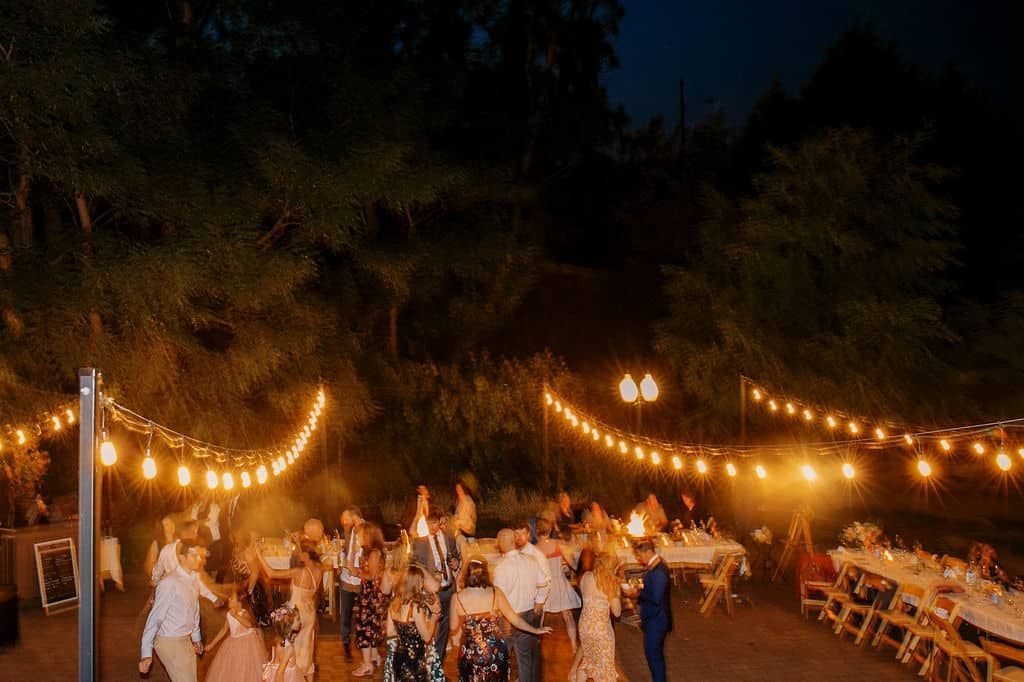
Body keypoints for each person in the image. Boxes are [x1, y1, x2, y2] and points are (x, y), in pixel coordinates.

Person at [451, 557, 551, 682]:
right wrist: (535, 630)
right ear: (486, 573)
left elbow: (453, 627)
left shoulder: (457, 597)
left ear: (466, 574)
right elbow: (515, 619)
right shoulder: (495, 592)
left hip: (471, 651)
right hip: (495, 650)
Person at [139, 539, 206, 682]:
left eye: (199, 555)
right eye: (194, 555)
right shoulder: (169, 583)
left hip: (185, 639)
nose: (199, 559)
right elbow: (155, 618)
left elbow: (194, 610)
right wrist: (146, 652)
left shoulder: (194, 579)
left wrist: (196, 638)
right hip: (168, 641)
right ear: (182, 557)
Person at [257, 541, 323, 680]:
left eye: (300, 552)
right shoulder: (319, 569)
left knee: (291, 650)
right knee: (306, 650)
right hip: (310, 613)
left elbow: (271, 573)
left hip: (297, 614)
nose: (298, 554)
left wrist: (258, 553)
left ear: (305, 555)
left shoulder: (298, 572)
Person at [493, 528, 550, 682]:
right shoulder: (530, 560)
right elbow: (544, 584)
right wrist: (539, 602)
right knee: (525, 661)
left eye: (498, 540)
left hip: (507, 618)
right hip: (527, 615)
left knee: (501, 659)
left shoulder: (500, 567)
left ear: (503, 542)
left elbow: (498, 598)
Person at [413, 509, 460, 662]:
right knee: (430, 628)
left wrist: (456, 563)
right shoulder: (420, 542)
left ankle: (437, 665)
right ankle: (427, 663)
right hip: (432, 592)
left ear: (440, 521)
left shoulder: (449, 538)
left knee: (445, 629)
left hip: (448, 588)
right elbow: (417, 567)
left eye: (434, 522)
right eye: (429, 523)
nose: (432, 526)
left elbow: (455, 555)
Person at [623, 541, 671, 682]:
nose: (639, 559)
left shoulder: (658, 571)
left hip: (656, 621)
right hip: (656, 619)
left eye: (639, 555)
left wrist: (636, 593)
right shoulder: (657, 566)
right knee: (656, 657)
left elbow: (656, 598)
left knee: (654, 658)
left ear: (648, 552)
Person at [384, 564, 442, 682]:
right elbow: (426, 637)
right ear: (416, 583)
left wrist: (405, 629)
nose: (422, 585)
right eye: (421, 581)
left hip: (399, 656)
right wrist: (434, 616)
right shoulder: (415, 608)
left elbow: (390, 632)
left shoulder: (394, 603)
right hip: (414, 659)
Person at [571, 552, 621, 682]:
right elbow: (617, 612)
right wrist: (617, 593)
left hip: (585, 625)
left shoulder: (586, 576)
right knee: (605, 667)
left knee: (588, 660)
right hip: (601, 629)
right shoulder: (610, 582)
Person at [534, 519, 580, 652]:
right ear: (550, 530)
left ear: (537, 531)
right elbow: (573, 565)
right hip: (559, 583)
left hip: (543, 585)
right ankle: (573, 646)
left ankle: (537, 645)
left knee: (540, 615)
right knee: (568, 616)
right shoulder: (559, 544)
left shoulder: (534, 549)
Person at [151, 520, 223, 606]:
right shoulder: (166, 550)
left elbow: (196, 579)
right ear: (184, 533)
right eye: (193, 532)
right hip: (173, 599)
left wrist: (213, 598)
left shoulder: (191, 552)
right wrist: (157, 586)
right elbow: (156, 574)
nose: (195, 535)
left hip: (186, 600)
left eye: (195, 532)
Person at [204, 586, 267, 682]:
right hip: (233, 643)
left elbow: (248, 624)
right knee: (231, 668)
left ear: (239, 602)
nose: (229, 599)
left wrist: (236, 615)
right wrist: (211, 645)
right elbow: (224, 630)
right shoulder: (228, 614)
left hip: (247, 644)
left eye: (232, 598)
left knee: (245, 668)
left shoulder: (244, 613)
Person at [353, 524, 392, 677]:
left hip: (372, 596)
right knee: (371, 627)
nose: (358, 537)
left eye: (360, 534)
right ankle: (374, 657)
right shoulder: (372, 552)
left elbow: (373, 576)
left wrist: (357, 573)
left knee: (365, 628)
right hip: (372, 595)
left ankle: (367, 664)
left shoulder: (374, 553)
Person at [338, 505, 364, 658]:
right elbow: (346, 552)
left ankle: (363, 642)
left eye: (345, 516)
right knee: (346, 613)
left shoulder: (365, 530)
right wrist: (342, 564)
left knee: (363, 613)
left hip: (361, 579)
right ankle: (346, 643)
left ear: (354, 516)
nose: (343, 520)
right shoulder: (348, 531)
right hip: (347, 578)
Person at [229, 529, 270, 627]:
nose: (235, 544)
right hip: (241, 581)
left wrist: (249, 591)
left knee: (253, 608)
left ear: (243, 543)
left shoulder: (248, 554)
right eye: (235, 542)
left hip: (252, 584)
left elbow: (255, 573)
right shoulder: (235, 550)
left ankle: (255, 628)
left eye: (237, 542)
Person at [144, 515, 177, 580]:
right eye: (167, 524)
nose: (171, 526)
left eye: (171, 522)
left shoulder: (179, 542)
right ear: (161, 528)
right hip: (165, 582)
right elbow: (149, 568)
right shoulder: (157, 544)